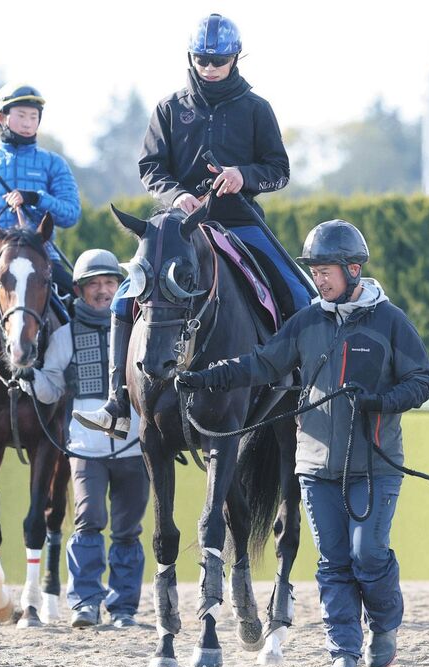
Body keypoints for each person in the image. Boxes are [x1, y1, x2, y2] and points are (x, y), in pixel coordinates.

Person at [174, 219, 429, 667]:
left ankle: (383, 625)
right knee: (334, 561)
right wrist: (206, 376)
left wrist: (381, 402)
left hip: (375, 466)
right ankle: (343, 652)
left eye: (326, 269)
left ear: (354, 270)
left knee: (368, 554)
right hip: (315, 467)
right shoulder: (307, 322)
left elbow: (422, 380)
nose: (317, 278)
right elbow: (261, 363)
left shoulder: (391, 322)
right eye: (313, 270)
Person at [74, 12, 314, 440]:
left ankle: (304, 391)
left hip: (239, 221)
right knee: (124, 295)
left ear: (235, 58)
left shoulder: (257, 108)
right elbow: (150, 168)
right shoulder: (169, 107)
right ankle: (116, 403)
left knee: (301, 294)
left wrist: (244, 175)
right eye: (202, 60)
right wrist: (174, 196)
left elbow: (279, 169)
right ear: (192, 57)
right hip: (177, 227)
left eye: (217, 60)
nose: (209, 68)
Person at [19, 250, 149, 628]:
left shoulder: (138, 328)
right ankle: (85, 604)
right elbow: (51, 387)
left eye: (110, 282)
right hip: (85, 448)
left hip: (134, 445)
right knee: (88, 520)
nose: (104, 290)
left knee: (127, 528)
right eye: (95, 284)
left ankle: (124, 608)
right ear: (79, 289)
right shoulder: (65, 334)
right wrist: (30, 376)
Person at [0, 82, 81, 300]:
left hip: (42, 256)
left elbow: (71, 215)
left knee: (78, 303)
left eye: (33, 116)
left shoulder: (53, 163)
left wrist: (35, 198)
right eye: (21, 115)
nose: (28, 123)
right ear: (2, 118)